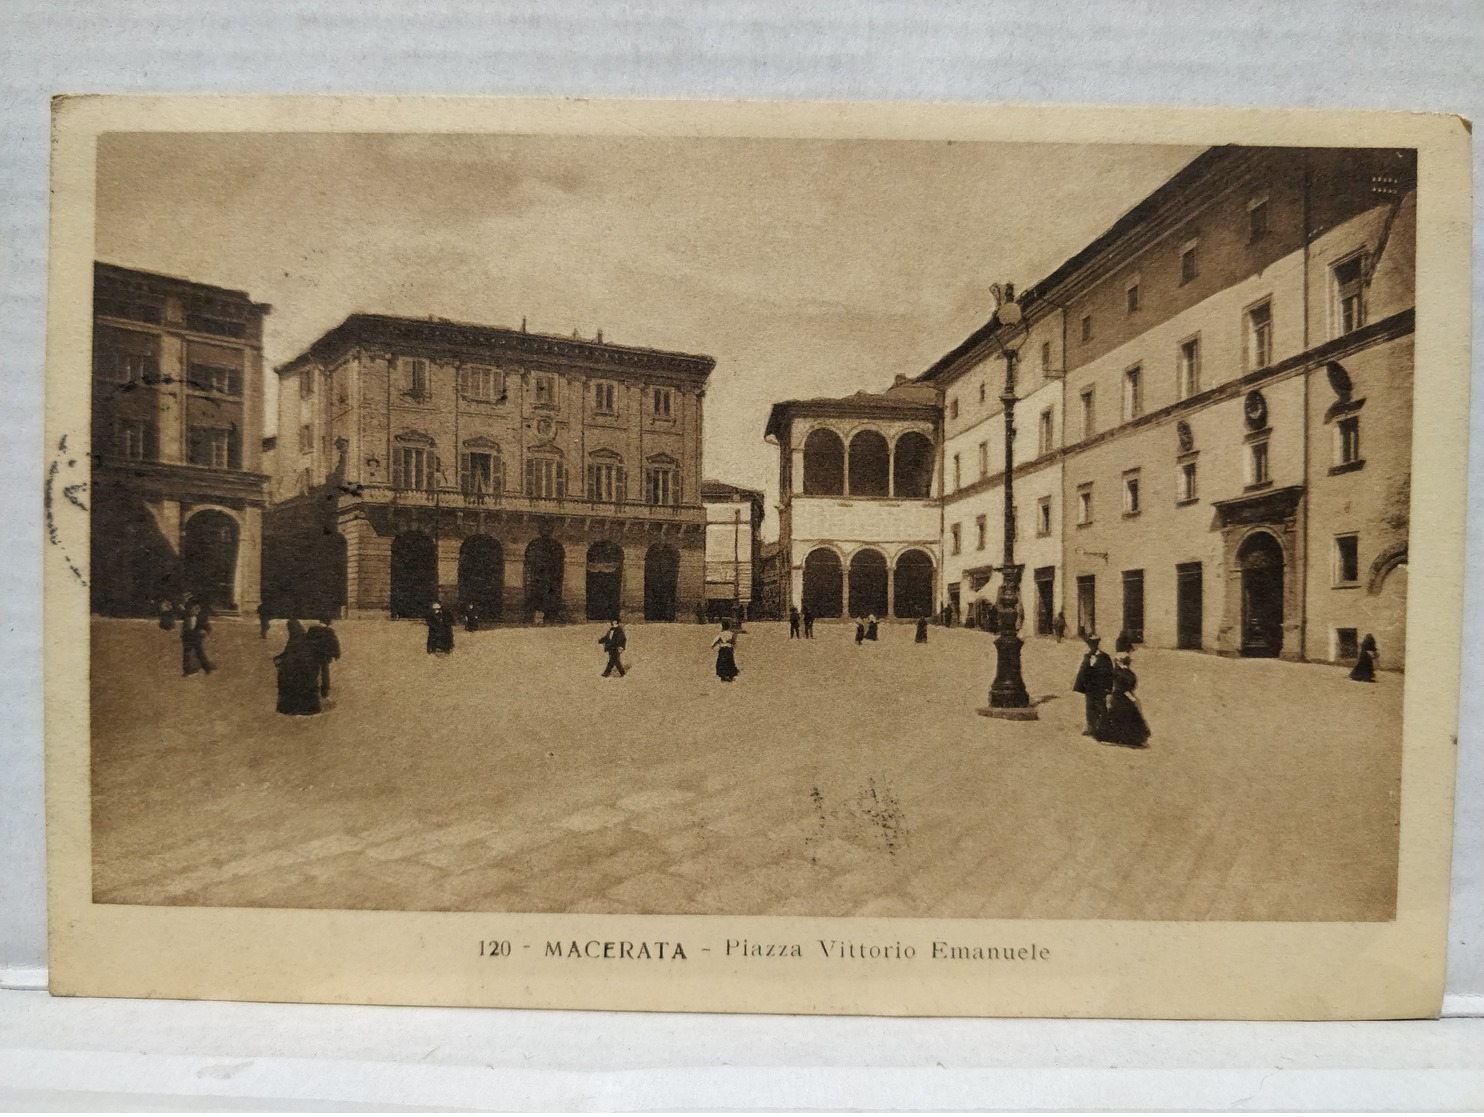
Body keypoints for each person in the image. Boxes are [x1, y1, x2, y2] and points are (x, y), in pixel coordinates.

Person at [1096, 654, 1151, 748]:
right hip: (1126, 696)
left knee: (1116, 714)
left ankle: (1116, 737)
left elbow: (1113, 684)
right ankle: (1131, 738)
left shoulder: (1117, 672)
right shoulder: (1129, 673)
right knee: (1129, 715)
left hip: (1119, 696)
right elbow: (1132, 685)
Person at [274, 619, 321, 716]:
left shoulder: (295, 640)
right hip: (306, 669)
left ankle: (291, 707)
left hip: (301, 670)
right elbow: (289, 653)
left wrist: (280, 660)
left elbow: (291, 654)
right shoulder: (303, 638)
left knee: (288, 678)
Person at [1071, 633, 1114, 737]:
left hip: (1100, 687)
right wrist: (1081, 684)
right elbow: (1083, 671)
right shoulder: (1088, 656)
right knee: (1089, 707)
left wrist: (1108, 687)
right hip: (1089, 687)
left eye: (1093, 644)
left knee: (1101, 707)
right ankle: (1091, 727)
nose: (1091, 646)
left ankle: (1104, 728)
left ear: (1097, 644)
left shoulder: (1104, 657)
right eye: (1090, 644)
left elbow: (1109, 673)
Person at [305, 616, 341, 698]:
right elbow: (334, 643)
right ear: (329, 622)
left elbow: (307, 640)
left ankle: (312, 688)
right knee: (325, 671)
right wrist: (336, 654)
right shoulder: (330, 631)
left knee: (314, 671)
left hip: (314, 654)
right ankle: (325, 690)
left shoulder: (313, 629)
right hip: (325, 655)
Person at [180, 602, 214, 677]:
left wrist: (204, 631)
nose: (196, 611)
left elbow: (208, 628)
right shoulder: (186, 616)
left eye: (197, 609)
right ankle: (187, 671)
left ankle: (207, 668)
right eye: (194, 609)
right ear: (189, 610)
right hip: (187, 638)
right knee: (186, 655)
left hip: (196, 638)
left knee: (200, 653)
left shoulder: (201, 619)